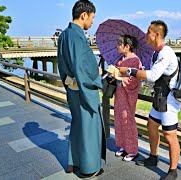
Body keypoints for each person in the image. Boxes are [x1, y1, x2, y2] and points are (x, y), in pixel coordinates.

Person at [119, 20, 180, 180]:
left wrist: (130, 71)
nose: (146, 34)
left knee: (169, 134)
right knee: (151, 125)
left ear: (157, 34)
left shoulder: (166, 53)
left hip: (170, 100)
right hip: (160, 97)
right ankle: (153, 157)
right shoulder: (156, 53)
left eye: (148, 31)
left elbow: (152, 76)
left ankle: (173, 170)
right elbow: (152, 73)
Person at [57, 0, 106, 178]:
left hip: (72, 89)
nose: (93, 22)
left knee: (77, 126)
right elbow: (85, 66)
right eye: (92, 17)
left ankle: (72, 162)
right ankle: (88, 168)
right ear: (83, 15)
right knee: (89, 129)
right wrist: (97, 72)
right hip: (83, 91)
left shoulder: (64, 35)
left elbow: (62, 65)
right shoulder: (77, 37)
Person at [110, 35, 142, 162]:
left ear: (127, 46)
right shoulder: (121, 60)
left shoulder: (135, 61)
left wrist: (119, 77)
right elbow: (118, 75)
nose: (117, 45)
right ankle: (123, 145)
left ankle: (132, 150)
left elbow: (135, 79)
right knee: (118, 119)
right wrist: (112, 74)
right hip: (119, 93)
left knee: (128, 121)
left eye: (119, 43)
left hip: (128, 94)